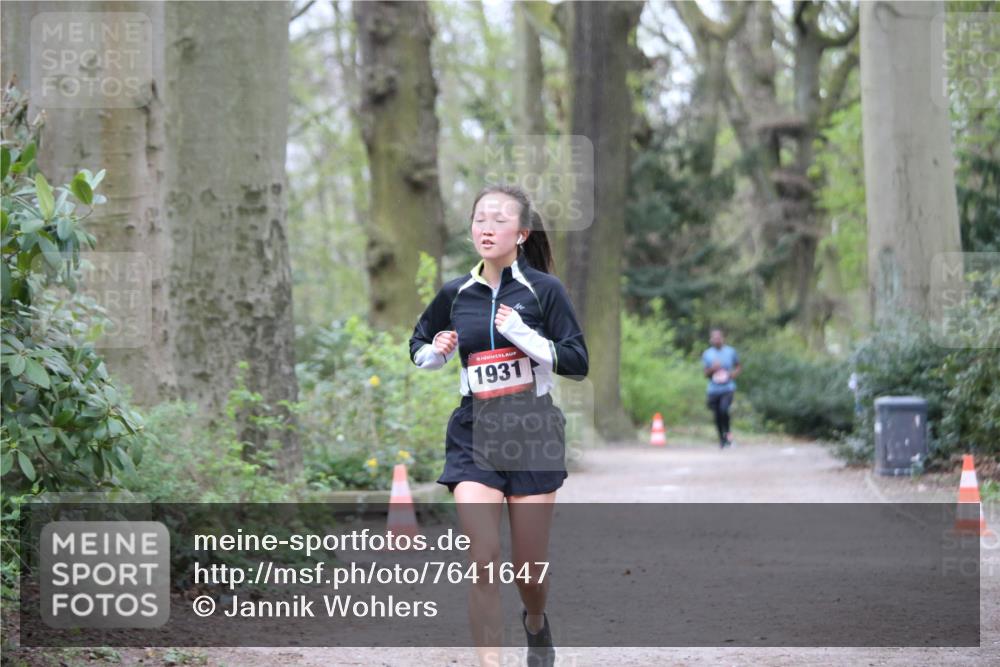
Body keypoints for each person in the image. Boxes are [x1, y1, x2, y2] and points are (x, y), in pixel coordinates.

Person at [408, 183, 588, 667]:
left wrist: (523, 335)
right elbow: (419, 344)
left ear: (522, 233)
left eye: (499, 219)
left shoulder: (544, 291)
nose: (486, 227)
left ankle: (535, 622)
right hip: (474, 432)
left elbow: (576, 360)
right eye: (479, 219)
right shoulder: (456, 292)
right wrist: (435, 354)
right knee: (482, 558)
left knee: (528, 571)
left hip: (533, 431)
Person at [701, 328, 741, 449]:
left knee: (724, 410)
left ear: (723, 338)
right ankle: (722, 439)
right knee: (717, 414)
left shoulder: (731, 352)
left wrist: (733, 374)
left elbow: (738, 366)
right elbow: (705, 374)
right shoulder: (707, 354)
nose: (717, 340)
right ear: (711, 339)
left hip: (728, 387)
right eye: (714, 338)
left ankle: (728, 435)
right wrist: (713, 368)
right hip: (713, 389)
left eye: (719, 337)